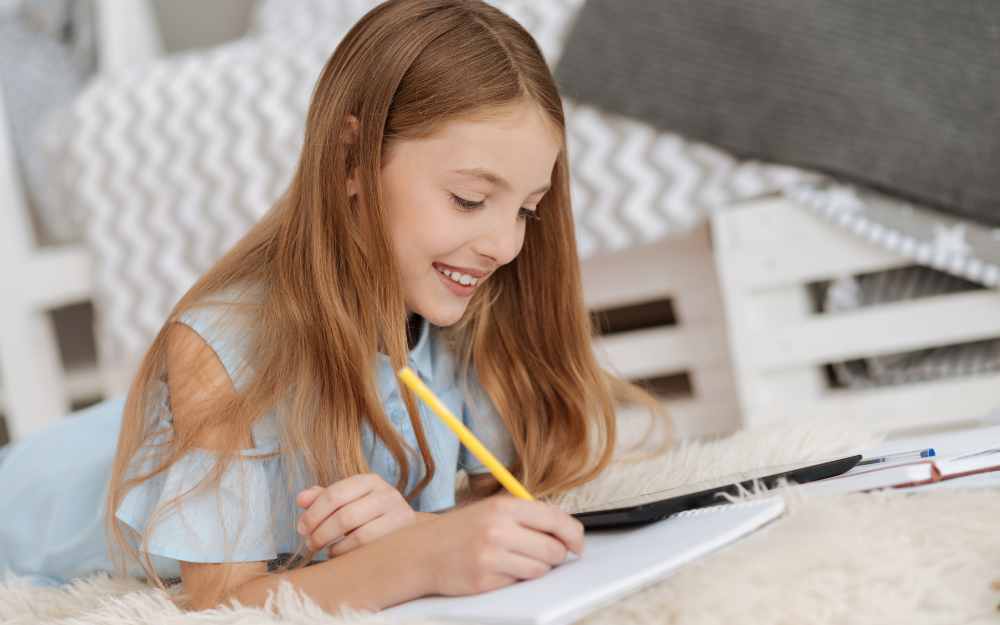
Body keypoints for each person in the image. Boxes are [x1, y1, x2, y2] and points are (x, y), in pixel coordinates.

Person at [0, 0, 668, 614]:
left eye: (526, 210)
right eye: (469, 198)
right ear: (352, 157)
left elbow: (489, 501)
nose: (503, 244)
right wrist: (418, 557)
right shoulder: (217, 348)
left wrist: (415, 530)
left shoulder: (462, 317)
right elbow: (221, 601)